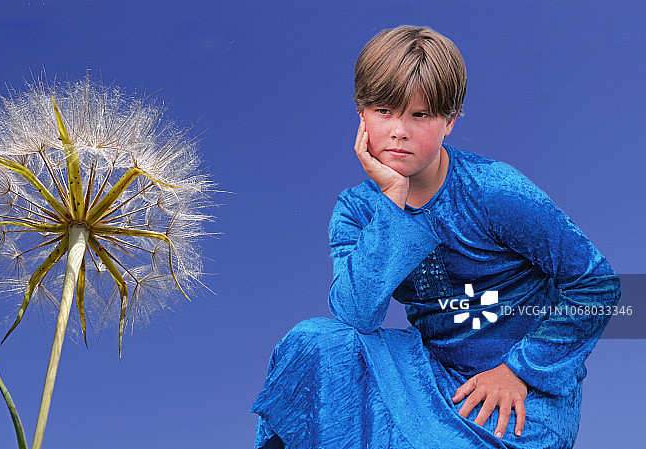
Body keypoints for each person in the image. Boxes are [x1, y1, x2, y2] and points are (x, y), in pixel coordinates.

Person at [250, 25, 620, 449]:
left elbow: (599, 284)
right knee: (311, 343)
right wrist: (391, 201)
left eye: (419, 115)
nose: (398, 130)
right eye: (383, 111)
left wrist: (520, 371)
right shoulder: (356, 209)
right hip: (431, 378)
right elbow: (356, 316)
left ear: (449, 121)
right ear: (361, 115)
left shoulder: (494, 192)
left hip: (517, 395)